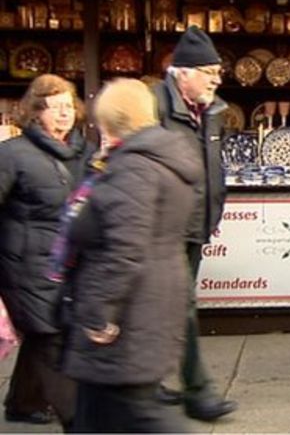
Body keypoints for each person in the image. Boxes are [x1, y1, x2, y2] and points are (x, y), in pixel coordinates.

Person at [60, 79, 202, 432]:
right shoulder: (160, 159)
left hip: (130, 308)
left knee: (138, 411)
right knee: (97, 411)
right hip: (152, 294)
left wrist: (98, 312)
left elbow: (124, 247)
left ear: (111, 121)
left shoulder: (134, 168)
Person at [153, 26, 238, 421]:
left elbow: (211, 169)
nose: (217, 80)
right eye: (209, 71)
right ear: (182, 72)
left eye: (218, 72)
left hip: (194, 223)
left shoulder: (211, 110)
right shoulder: (154, 106)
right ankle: (198, 391)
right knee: (183, 305)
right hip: (162, 227)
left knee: (166, 306)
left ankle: (145, 381)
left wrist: (213, 212)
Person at [0, 75, 91, 429]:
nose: (65, 114)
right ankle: (76, 418)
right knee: (51, 335)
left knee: (45, 333)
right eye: (56, 107)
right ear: (36, 112)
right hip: (24, 264)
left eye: (70, 106)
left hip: (65, 261)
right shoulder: (12, 154)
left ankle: (23, 401)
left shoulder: (81, 152)